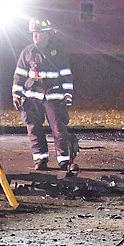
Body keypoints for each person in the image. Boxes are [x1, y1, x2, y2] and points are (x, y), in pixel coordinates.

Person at [12, 18, 78, 172]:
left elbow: (66, 75)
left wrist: (68, 94)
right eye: (33, 33)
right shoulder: (27, 52)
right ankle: (40, 159)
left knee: (58, 129)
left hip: (53, 96)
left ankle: (64, 161)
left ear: (47, 34)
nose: (35, 35)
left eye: (38, 32)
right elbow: (19, 75)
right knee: (34, 128)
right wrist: (16, 94)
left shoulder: (58, 52)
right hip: (32, 96)